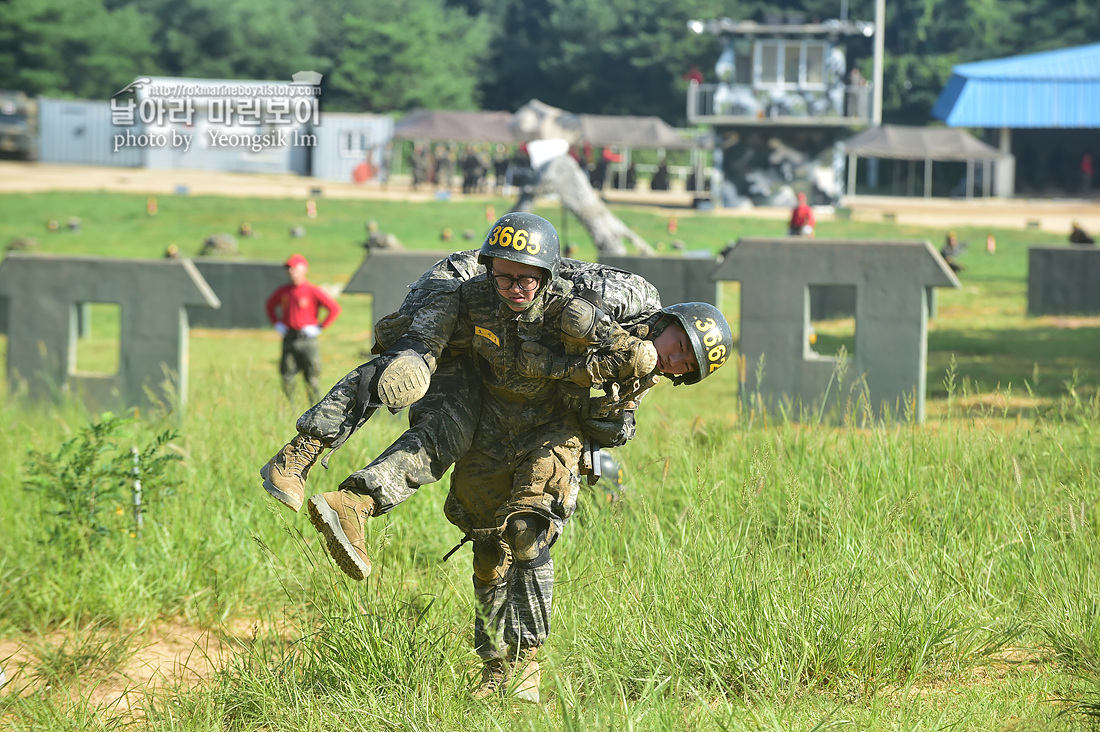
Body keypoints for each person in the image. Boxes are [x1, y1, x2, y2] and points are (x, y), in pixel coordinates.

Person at [264, 254, 341, 403]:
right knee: (287, 375)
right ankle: (290, 406)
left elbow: (334, 308)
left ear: (303, 269)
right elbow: (270, 306)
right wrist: (277, 323)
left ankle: (314, 408)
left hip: (307, 339)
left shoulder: (312, 290)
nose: (290, 271)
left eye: (294, 268)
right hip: (289, 337)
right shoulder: (283, 291)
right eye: (288, 269)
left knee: (311, 377)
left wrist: (319, 327)